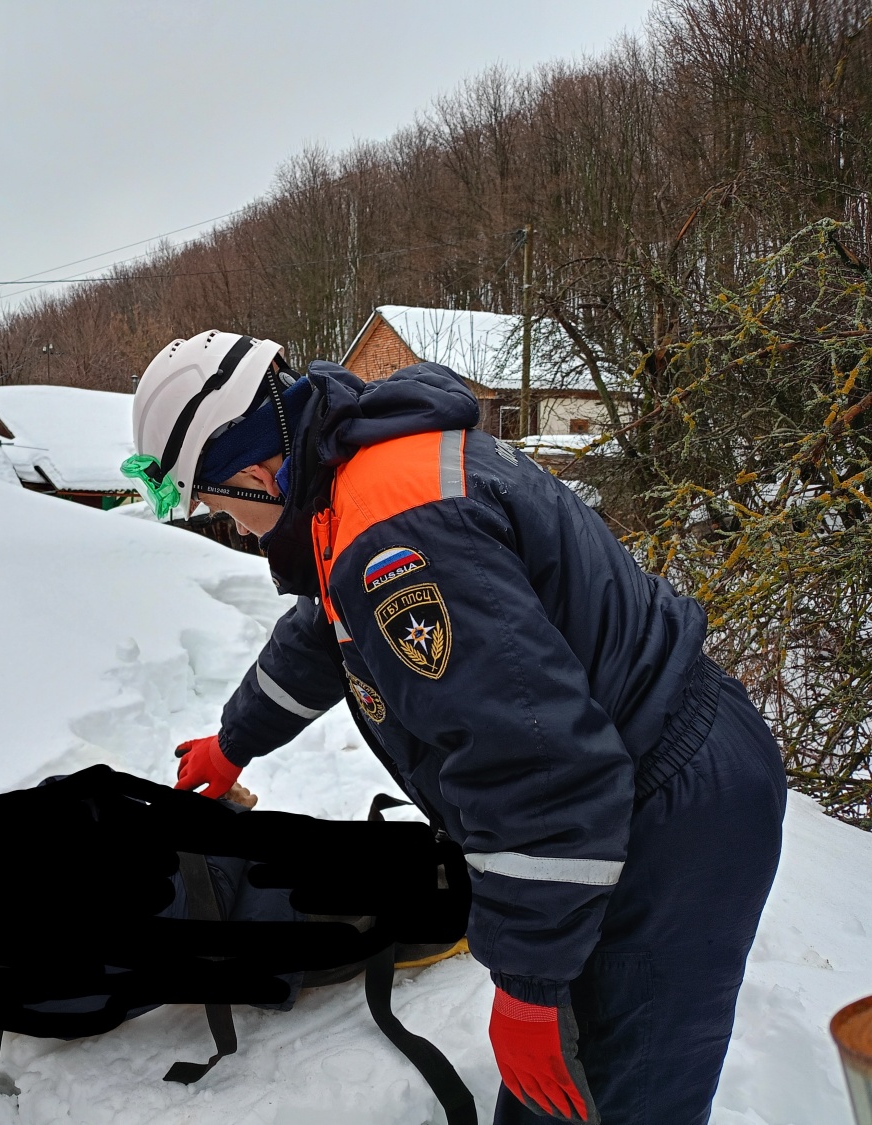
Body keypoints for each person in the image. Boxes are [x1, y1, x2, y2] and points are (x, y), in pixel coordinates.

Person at [122, 331, 787, 1123]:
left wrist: (529, 988)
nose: (225, 523)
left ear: (254, 469)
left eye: (213, 499)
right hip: (625, 791)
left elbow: (542, 766)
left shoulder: (394, 536)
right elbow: (322, 635)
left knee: (620, 1096)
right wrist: (234, 742)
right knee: (565, 1093)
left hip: (673, 812)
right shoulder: (354, 472)